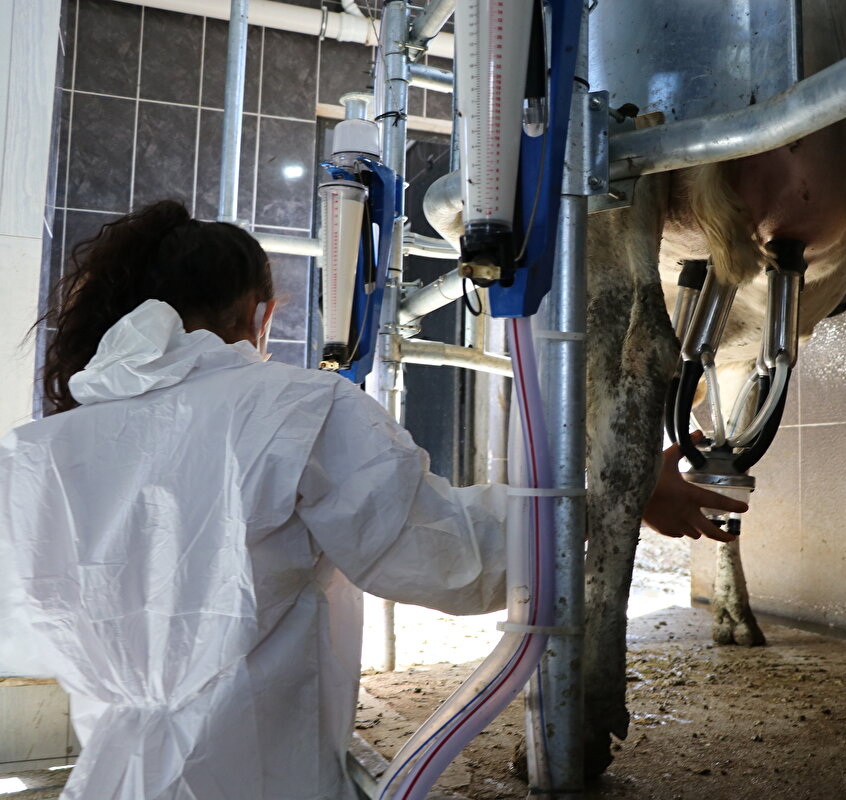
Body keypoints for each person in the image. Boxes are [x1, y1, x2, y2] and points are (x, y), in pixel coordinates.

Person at [0, 200, 745, 800]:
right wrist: (620, 483)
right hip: (257, 775)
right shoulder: (292, 408)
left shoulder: (40, 452)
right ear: (256, 314)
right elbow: (455, 555)